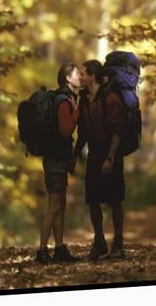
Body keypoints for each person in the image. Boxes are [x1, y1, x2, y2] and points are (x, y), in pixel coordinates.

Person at [71, 59, 126, 260]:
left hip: (111, 152)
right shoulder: (84, 99)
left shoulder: (111, 99)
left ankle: (118, 243)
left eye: (83, 73)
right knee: (93, 200)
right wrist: (74, 156)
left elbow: (118, 132)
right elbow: (82, 133)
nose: (80, 76)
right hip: (94, 153)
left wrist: (110, 158)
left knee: (114, 200)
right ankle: (100, 242)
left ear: (93, 75)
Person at [35, 62, 82, 264]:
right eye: (77, 74)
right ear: (67, 79)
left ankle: (60, 248)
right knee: (54, 205)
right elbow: (65, 130)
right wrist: (78, 112)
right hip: (54, 159)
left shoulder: (69, 98)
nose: (80, 76)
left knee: (61, 204)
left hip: (59, 158)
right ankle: (42, 250)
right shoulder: (63, 101)